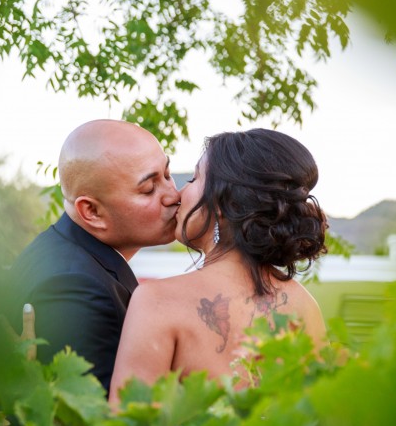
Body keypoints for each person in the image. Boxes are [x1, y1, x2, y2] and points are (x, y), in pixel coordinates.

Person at [108, 129, 328, 404]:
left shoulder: (157, 302)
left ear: (223, 202)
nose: (179, 193)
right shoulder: (305, 306)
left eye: (194, 178)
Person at [6, 119, 181, 393]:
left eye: (168, 175)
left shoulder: (71, 254)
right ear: (92, 212)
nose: (173, 195)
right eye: (149, 189)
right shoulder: (74, 288)